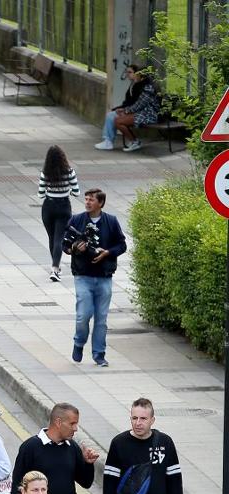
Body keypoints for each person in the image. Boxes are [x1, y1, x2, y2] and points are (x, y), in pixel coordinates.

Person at [62, 189, 125, 367]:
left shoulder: (111, 221)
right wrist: (75, 248)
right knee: (83, 315)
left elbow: (122, 244)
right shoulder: (76, 220)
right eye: (86, 199)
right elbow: (64, 245)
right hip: (83, 275)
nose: (88, 202)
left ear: (101, 203)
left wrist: (108, 253)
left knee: (101, 318)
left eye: (91, 200)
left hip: (104, 276)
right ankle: (79, 342)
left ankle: (99, 354)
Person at [38, 145, 80, 282]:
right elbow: (77, 192)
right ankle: (55, 268)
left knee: (52, 238)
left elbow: (40, 194)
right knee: (59, 238)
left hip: (48, 207)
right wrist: (67, 190)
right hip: (64, 207)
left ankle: (55, 266)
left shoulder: (45, 173)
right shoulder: (69, 172)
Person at [97, 64, 160, 152]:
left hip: (148, 115)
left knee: (118, 121)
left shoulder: (148, 88)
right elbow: (134, 104)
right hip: (141, 112)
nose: (130, 75)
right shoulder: (139, 85)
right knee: (114, 117)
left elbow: (139, 105)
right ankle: (109, 141)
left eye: (134, 73)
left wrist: (126, 111)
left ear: (141, 75)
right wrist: (124, 110)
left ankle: (135, 141)